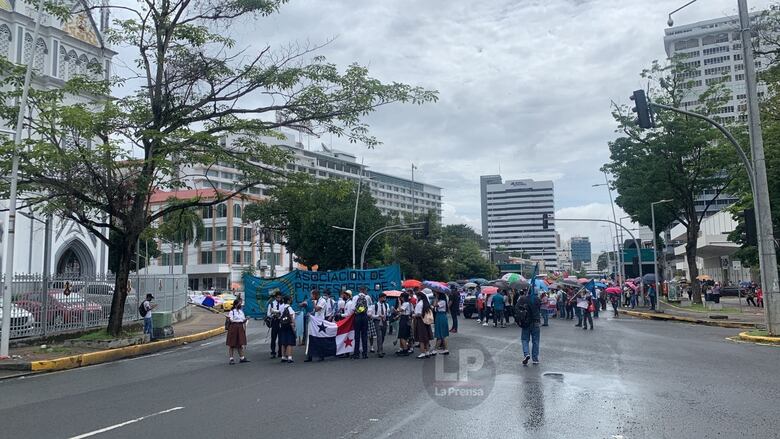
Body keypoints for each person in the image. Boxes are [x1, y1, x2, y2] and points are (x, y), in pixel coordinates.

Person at [517, 290, 542, 365]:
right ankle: (535, 359)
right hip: (536, 321)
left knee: (525, 339)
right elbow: (538, 308)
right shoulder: (537, 299)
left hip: (526, 322)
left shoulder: (522, 299)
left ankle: (526, 354)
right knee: (535, 341)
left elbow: (517, 308)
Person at [347, 287, 371, 359]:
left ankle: (356, 353)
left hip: (357, 317)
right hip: (364, 317)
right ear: (364, 290)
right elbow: (370, 308)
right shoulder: (367, 297)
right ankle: (365, 353)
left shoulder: (355, 297)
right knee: (364, 335)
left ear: (359, 290)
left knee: (357, 335)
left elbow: (352, 308)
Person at [226, 300, 249, 364]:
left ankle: (242, 358)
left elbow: (243, 320)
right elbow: (231, 320)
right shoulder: (232, 312)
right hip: (233, 328)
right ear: (235, 305)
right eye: (239, 304)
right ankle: (231, 359)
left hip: (240, 327)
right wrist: (228, 319)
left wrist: (246, 318)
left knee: (240, 343)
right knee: (232, 344)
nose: (240, 305)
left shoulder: (241, 312)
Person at [413, 292, 434, 359]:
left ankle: (422, 352)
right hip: (427, 322)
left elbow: (418, 314)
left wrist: (414, 315)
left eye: (417, 296)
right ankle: (427, 351)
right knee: (426, 337)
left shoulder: (419, 304)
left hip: (420, 321)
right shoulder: (426, 303)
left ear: (419, 297)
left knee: (421, 337)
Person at [370, 293, 389, 358]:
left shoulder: (386, 305)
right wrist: (378, 316)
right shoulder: (374, 305)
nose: (384, 299)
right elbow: (372, 315)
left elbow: (387, 313)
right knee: (379, 336)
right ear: (380, 298)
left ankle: (380, 348)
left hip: (384, 321)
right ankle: (380, 351)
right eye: (383, 298)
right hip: (377, 321)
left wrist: (388, 314)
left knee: (383, 335)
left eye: (385, 298)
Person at [278, 296, 296, 363]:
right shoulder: (289, 308)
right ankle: (289, 357)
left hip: (282, 325)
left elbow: (279, 315)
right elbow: (291, 317)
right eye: (290, 299)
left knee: (283, 341)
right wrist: (293, 325)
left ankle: (283, 356)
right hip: (289, 325)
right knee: (289, 342)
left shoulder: (281, 307)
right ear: (288, 301)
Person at [267, 291, 283, 358]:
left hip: (281, 322)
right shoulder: (271, 304)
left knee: (281, 338)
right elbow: (268, 314)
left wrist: (280, 314)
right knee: (273, 338)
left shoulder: (283, 304)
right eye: (278, 297)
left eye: (280, 297)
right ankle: (273, 352)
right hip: (275, 322)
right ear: (275, 297)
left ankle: (280, 352)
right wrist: (274, 314)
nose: (279, 299)